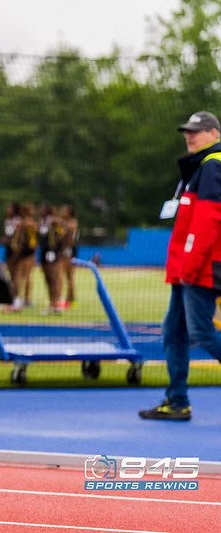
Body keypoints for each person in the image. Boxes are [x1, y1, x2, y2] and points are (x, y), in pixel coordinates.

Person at [140, 111, 221, 421]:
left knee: (202, 332)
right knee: (174, 331)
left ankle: (177, 400)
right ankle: (177, 401)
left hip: (200, 268)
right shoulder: (197, 168)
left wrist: (190, 265)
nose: (190, 136)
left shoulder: (212, 166)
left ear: (214, 134)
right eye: (187, 131)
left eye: (197, 131)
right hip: (187, 268)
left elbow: (209, 222)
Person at [59, 203, 79, 308]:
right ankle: (71, 299)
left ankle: (68, 299)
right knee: (68, 276)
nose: (62, 212)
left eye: (64, 210)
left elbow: (69, 237)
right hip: (66, 250)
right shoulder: (65, 223)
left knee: (68, 276)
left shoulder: (72, 222)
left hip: (69, 250)